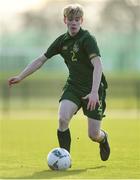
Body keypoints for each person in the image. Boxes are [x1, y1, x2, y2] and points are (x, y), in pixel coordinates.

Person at [8, 4, 110, 161]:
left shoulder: (87, 39)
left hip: (93, 89)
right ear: (65, 20)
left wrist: (95, 92)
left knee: (93, 134)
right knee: (62, 119)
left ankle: (103, 139)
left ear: (82, 20)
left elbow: (98, 65)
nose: (74, 22)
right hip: (74, 87)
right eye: (70, 19)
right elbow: (41, 60)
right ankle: (65, 158)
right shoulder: (62, 41)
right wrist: (21, 76)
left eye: (77, 19)